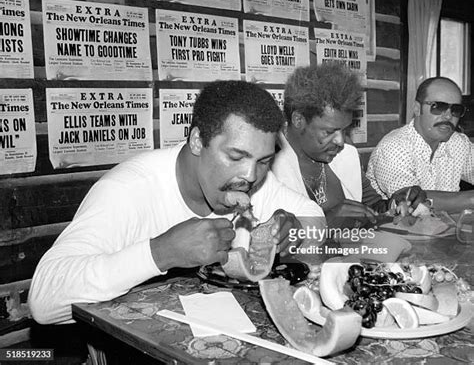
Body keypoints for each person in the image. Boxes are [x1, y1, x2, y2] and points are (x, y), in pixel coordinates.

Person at [29, 81, 325, 325]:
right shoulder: (127, 190)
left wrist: (294, 228)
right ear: (197, 141)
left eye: (264, 161)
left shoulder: (256, 181)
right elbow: (42, 301)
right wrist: (161, 252)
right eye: (235, 157)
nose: (249, 176)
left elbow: (314, 217)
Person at [272, 63, 426, 230]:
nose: (340, 141)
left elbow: (371, 206)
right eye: (329, 131)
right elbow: (266, 239)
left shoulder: (345, 155)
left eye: (345, 130)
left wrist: (397, 203)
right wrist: (326, 223)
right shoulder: (267, 163)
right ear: (298, 120)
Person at [367, 77, 474, 212]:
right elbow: (411, 202)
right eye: (438, 107)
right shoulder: (394, 147)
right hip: (395, 230)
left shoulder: (458, 143)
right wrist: (471, 199)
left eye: (456, 109)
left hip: (442, 229)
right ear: (417, 108)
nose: (448, 116)